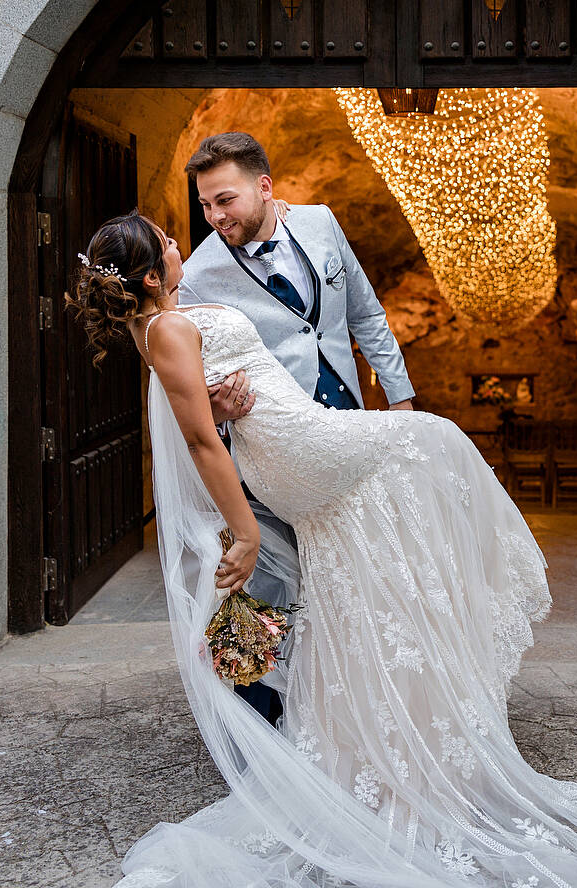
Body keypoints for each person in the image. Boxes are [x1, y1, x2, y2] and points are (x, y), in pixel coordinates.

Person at [67, 212, 577, 888]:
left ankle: (391, 743)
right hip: (298, 445)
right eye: (164, 239)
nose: (176, 239)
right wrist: (245, 531)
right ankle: (464, 614)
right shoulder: (166, 328)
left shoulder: (159, 325)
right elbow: (196, 438)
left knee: (372, 580)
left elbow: (202, 407)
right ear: (152, 275)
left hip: (290, 441)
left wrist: (222, 408)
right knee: (433, 440)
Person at [177, 131, 417, 725]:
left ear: (264, 187)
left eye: (225, 200)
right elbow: (180, 376)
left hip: (346, 423)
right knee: (267, 579)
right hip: (271, 442)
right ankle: (252, 721)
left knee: (353, 567)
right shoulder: (200, 272)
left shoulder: (322, 224)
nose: (214, 217)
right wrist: (217, 406)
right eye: (205, 204)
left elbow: (364, 313)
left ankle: (348, 711)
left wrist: (402, 400)